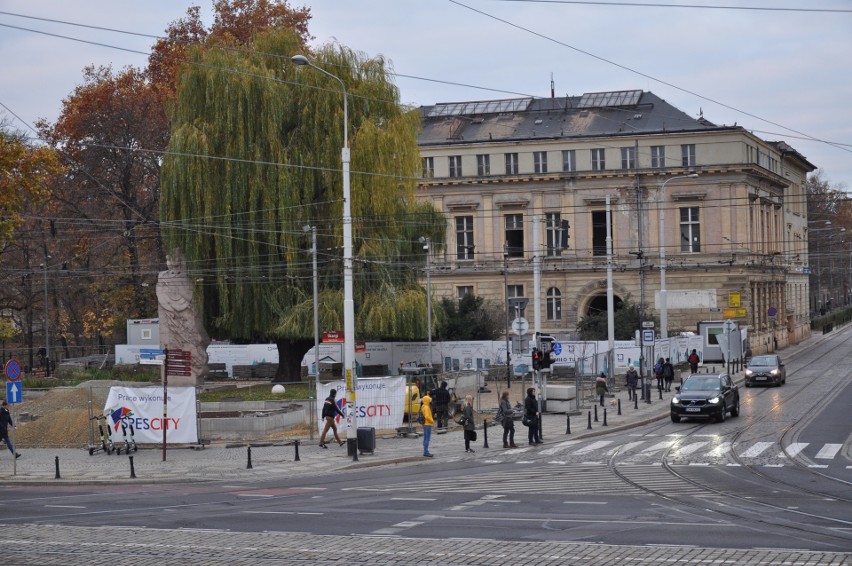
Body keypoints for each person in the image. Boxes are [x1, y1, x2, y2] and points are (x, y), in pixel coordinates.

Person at [421, 390, 434, 457]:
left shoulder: (423, 406)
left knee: (425, 438)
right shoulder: (426, 407)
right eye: (429, 400)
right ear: (427, 401)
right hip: (427, 424)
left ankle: (425, 450)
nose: (430, 401)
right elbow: (427, 416)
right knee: (427, 439)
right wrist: (432, 421)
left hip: (425, 424)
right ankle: (426, 451)